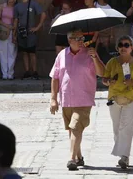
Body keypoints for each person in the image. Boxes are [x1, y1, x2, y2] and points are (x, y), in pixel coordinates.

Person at [49, 29, 105, 171]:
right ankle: (79, 157)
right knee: (73, 130)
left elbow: (102, 73)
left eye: (82, 38)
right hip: (66, 99)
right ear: (70, 40)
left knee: (75, 127)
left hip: (84, 99)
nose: (81, 41)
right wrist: (53, 99)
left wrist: (94, 58)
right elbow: (55, 77)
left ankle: (72, 159)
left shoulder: (90, 53)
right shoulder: (62, 55)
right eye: (78, 38)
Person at [102, 35, 133, 169]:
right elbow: (104, 79)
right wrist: (109, 81)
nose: (123, 48)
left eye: (126, 45)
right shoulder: (112, 62)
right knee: (116, 128)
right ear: (117, 48)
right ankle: (122, 152)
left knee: (126, 127)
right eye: (120, 45)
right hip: (114, 98)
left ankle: (124, 157)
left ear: (131, 48)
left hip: (131, 99)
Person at [13, 0, 46, 80]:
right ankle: (27, 72)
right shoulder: (17, 6)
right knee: (24, 52)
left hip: (31, 33)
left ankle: (34, 72)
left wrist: (37, 27)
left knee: (32, 53)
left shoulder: (33, 3)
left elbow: (43, 14)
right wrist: (14, 34)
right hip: (21, 33)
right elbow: (16, 20)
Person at [0, 0, 18, 80]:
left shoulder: (16, 8)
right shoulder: (2, 6)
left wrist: (13, 32)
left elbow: (16, 20)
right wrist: (7, 26)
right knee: (2, 52)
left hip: (12, 31)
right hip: (2, 31)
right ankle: (4, 74)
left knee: (12, 52)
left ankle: (10, 73)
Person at [94, 0, 113, 64]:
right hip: (95, 30)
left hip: (105, 31)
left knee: (105, 49)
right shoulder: (94, 4)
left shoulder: (108, 7)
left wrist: (111, 34)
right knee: (95, 49)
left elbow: (111, 21)